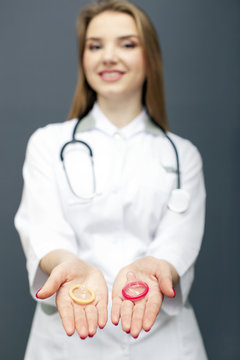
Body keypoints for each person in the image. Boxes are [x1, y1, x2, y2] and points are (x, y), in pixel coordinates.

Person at [15, 0, 208, 359]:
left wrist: (153, 269)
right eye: (95, 45)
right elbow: (42, 230)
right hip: (68, 342)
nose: (108, 56)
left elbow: (178, 242)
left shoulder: (184, 156)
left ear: (149, 56)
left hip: (161, 343)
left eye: (127, 44)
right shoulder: (47, 143)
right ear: (83, 58)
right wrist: (68, 266)